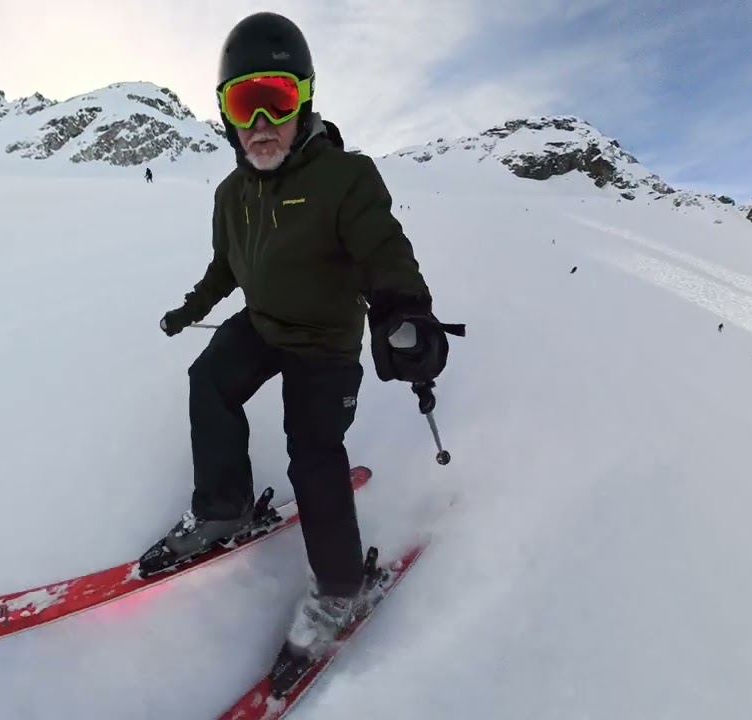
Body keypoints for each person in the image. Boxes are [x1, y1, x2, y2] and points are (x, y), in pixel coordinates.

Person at [151, 11, 458, 672]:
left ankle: (341, 590)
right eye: (243, 103)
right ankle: (223, 507)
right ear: (226, 114)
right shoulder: (231, 194)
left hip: (325, 342)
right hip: (264, 325)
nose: (261, 124)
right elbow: (226, 267)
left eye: (277, 100)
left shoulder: (346, 178)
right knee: (210, 380)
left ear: (305, 100)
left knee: (313, 452)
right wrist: (191, 308)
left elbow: (383, 249)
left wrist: (406, 311)